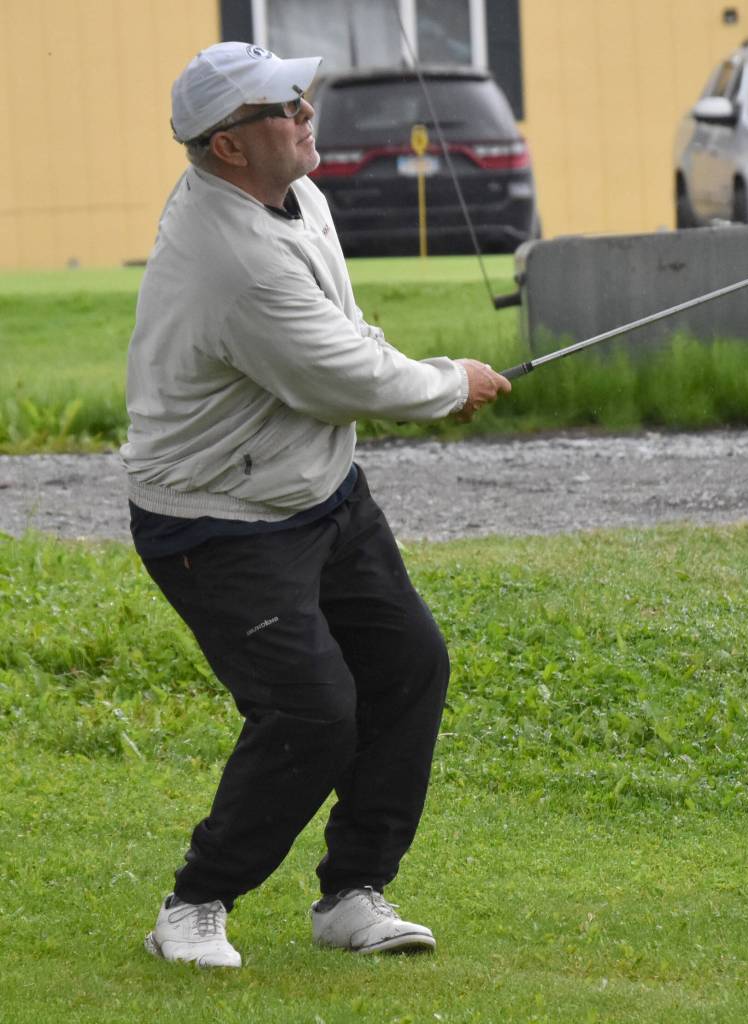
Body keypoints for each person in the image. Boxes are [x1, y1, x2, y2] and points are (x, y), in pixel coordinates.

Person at [121, 41, 511, 969]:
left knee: (410, 663)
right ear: (226, 147)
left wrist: (424, 375)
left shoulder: (296, 194)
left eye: (302, 96)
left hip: (318, 491)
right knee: (313, 712)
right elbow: (340, 375)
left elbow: (342, 329)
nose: (306, 114)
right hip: (215, 519)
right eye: (282, 108)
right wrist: (448, 383)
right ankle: (194, 904)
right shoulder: (231, 256)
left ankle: (352, 896)